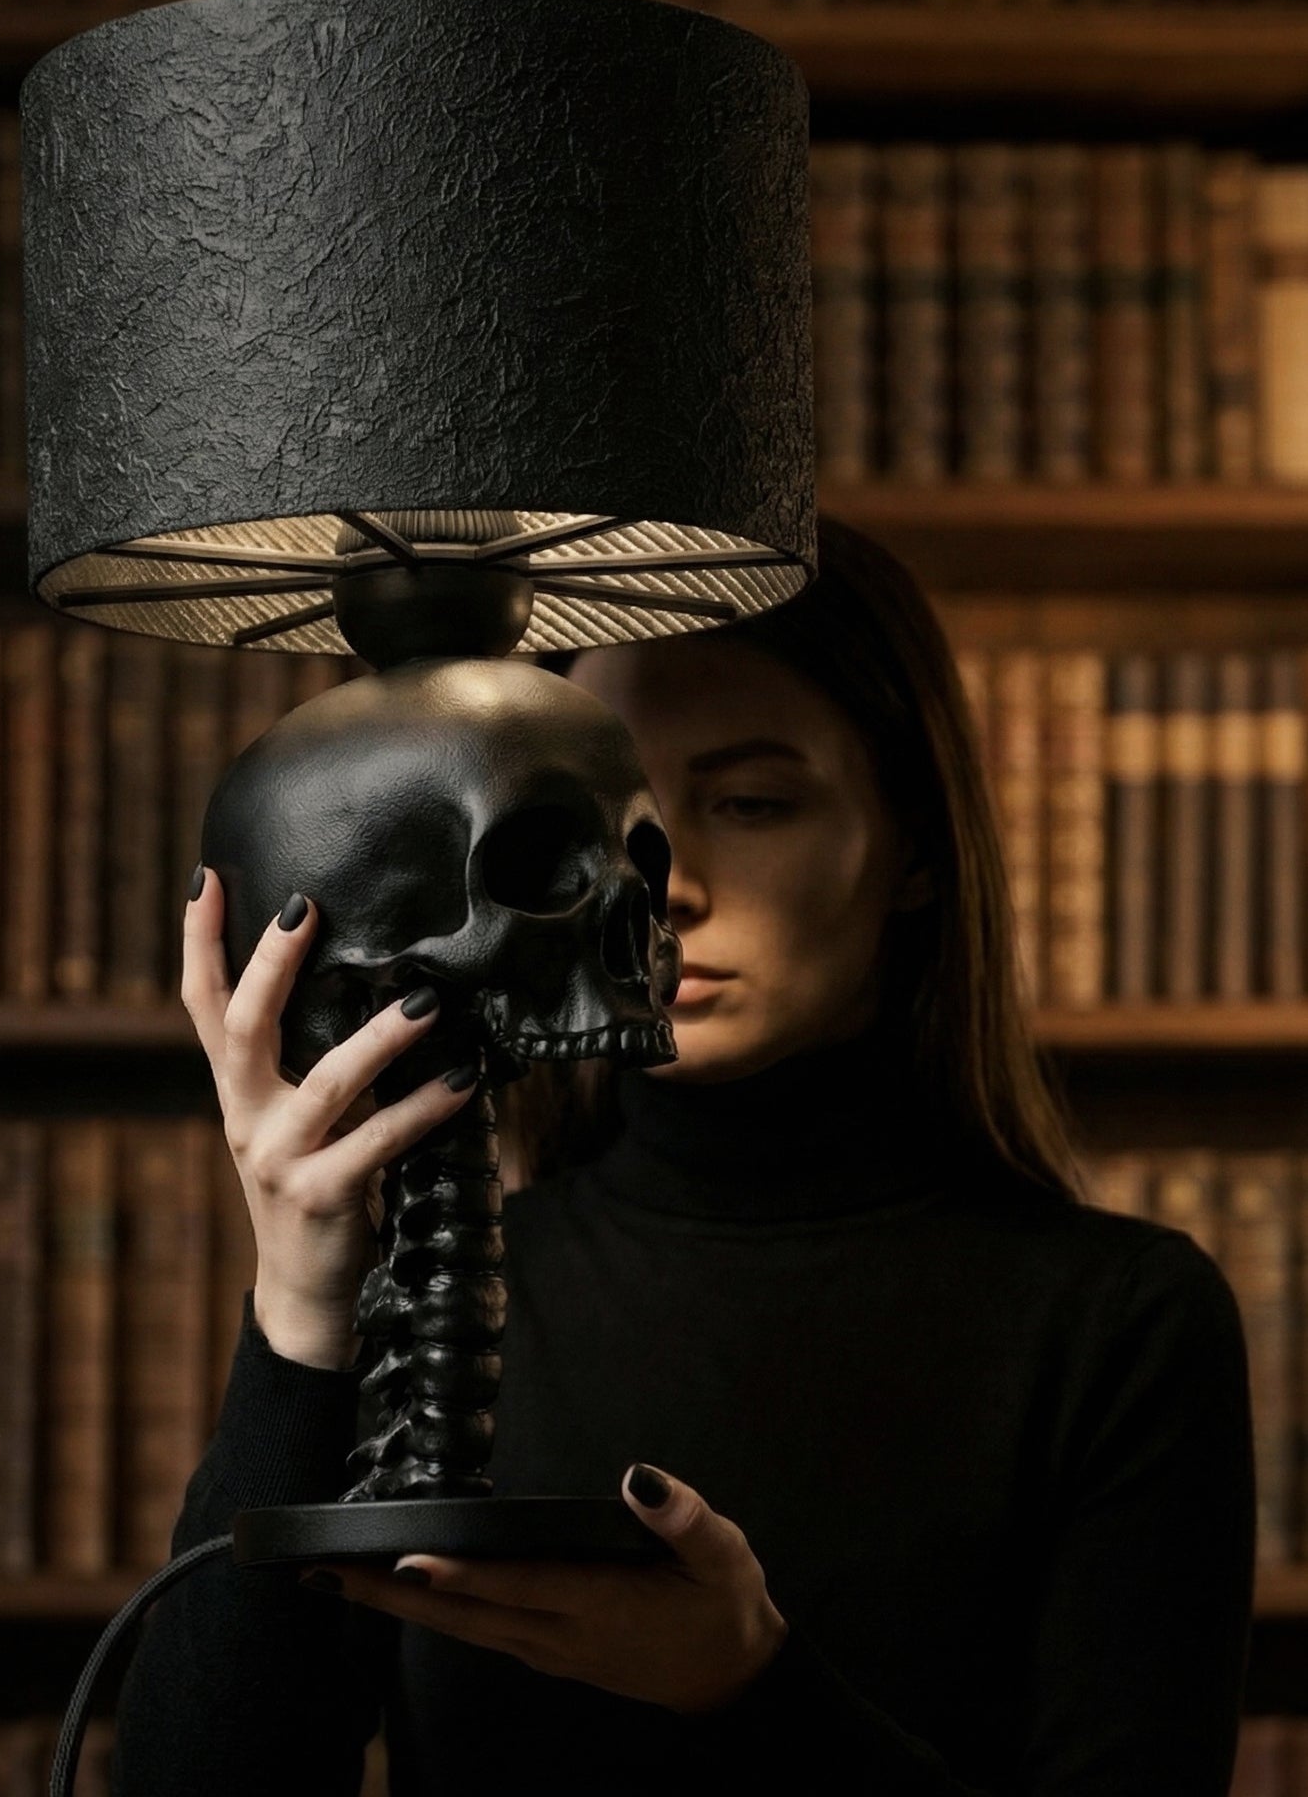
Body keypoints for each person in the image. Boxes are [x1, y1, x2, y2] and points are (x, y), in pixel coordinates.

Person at [109, 516, 1256, 1796]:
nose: (666, 890)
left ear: (917, 849)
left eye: (751, 802)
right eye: (604, 816)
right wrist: (299, 1318)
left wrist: (751, 1685)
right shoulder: (451, 1295)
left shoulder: (1122, 1327)